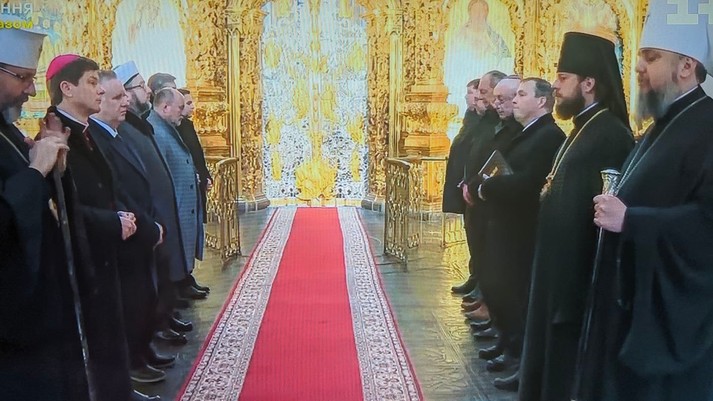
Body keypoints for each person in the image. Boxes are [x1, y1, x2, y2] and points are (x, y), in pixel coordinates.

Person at [579, 1, 713, 400]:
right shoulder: (662, 125)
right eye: (639, 56)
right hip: (629, 309)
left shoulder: (707, 125)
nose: (637, 66)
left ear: (686, 66)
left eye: (651, 57)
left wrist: (632, 220)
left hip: (668, 332)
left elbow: (707, 224)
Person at [518, 31, 634, 401]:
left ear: (588, 83)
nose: (555, 85)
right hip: (555, 277)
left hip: (574, 287)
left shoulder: (611, 134)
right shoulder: (581, 128)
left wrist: (571, 292)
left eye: (563, 77)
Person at [45, 53, 159, 401]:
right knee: (98, 336)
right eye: (92, 82)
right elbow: (60, 206)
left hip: (106, 251)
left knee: (111, 330)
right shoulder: (57, 137)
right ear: (67, 88)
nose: (99, 90)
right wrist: (112, 221)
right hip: (87, 256)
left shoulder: (82, 132)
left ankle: (120, 390)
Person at [0, 18, 89, 401]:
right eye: (22, 78)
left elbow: (33, 199)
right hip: (12, 316)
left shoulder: (7, 130)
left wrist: (54, 167)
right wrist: (36, 169)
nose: (31, 90)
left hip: (40, 303)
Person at [476, 78, 565, 392]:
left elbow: (529, 182)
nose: (514, 100)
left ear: (541, 102)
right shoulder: (527, 131)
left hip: (522, 230)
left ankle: (519, 361)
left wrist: (488, 186)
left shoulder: (549, 135)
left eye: (522, 94)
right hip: (506, 225)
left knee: (517, 298)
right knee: (502, 291)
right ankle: (508, 345)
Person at [89, 70, 171, 385]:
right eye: (117, 97)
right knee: (132, 302)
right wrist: (147, 226)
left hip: (143, 228)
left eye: (125, 95)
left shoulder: (117, 132)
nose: (125, 101)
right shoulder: (97, 138)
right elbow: (118, 192)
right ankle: (133, 360)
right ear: (98, 101)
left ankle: (143, 351)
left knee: (145, 297)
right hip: (127, 234)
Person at [113, 61, 192, 346]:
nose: (148, 91)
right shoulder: (123, 127)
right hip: (144, 214)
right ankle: (156, 326)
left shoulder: (139, 123)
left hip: (158, 210)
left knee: (163, 268)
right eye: (140, 86)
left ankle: (165, 318)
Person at [451, 70, 506, 299]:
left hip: (487, 192)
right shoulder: (483, 119)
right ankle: (476, 280)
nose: (479, 97)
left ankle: (484, 291)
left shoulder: (500, 123)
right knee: (474, 238)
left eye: (484, 92)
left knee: (486, 242)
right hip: (473, 187)